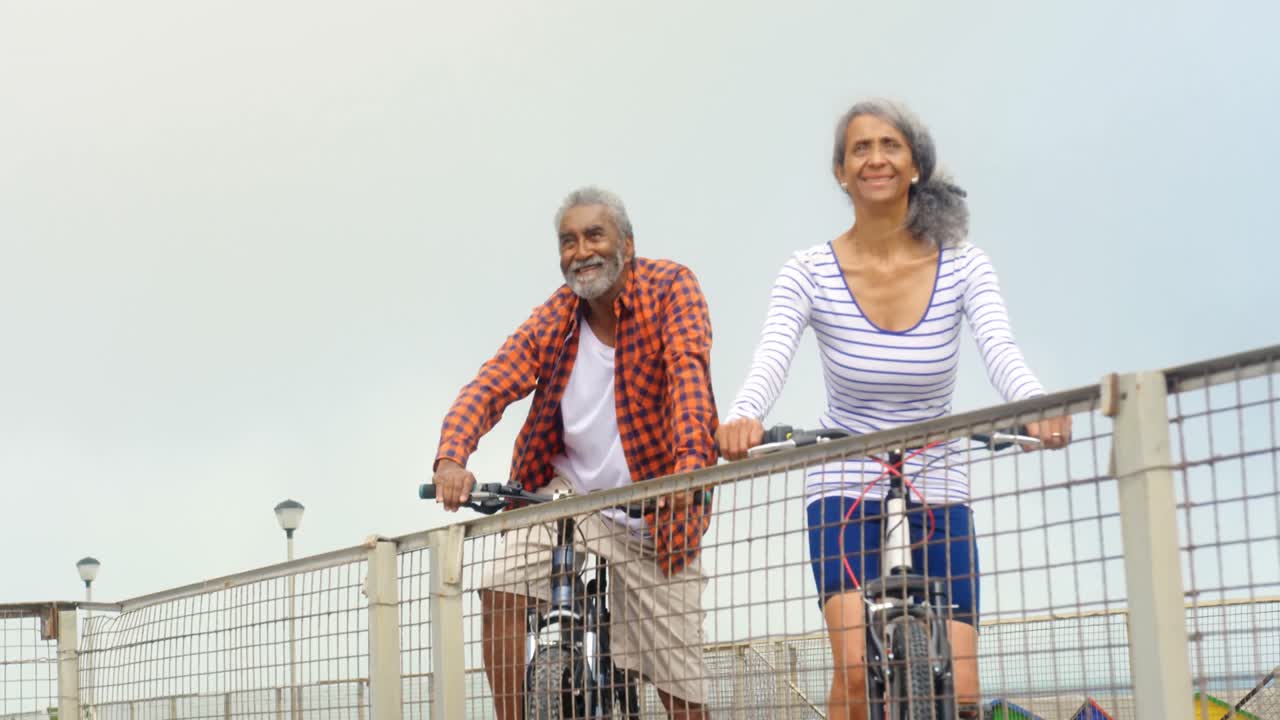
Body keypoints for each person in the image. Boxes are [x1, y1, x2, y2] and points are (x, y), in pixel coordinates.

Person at [716, 99, 1071, 720]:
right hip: (844, 467)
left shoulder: (964, 262)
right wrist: (745, 415)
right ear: (839, 171)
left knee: (961, 692)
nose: (875, 158)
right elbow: (771, 356)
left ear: (914, 167)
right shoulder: (807, 271)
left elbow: (1000, 347)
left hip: (936, 466)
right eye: (860, 148)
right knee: (854, 675)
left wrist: (1036, 406)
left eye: (890, 146)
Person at [432, 186, 717, 720]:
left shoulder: (671, 288)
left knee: (683, 693)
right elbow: (492, 383)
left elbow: (689, 380)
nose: (579, 251)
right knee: (499, 586)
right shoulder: (558, 316)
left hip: (654, 509)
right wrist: (453, 457)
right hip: (567, 497)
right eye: (568, 241)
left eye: (593, 236)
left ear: (626, 246)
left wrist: (688, 473)